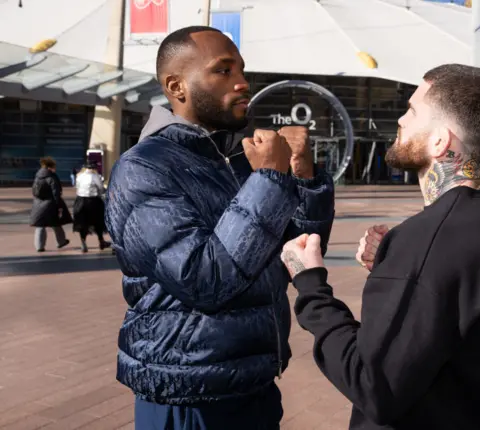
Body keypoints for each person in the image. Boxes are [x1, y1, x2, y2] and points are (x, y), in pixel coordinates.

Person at [280, 64, 480, 430]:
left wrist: (310, 284)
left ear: (440, 141)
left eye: (412, 110)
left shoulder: (429, 240)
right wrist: (397, 266)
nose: (402, 121)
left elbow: (375, 387)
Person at [104, 26, 334, 429]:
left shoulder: (240, 160)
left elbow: (297, 251)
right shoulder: (145, 168)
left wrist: (304, 176)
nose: (243, 82)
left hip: (253, 384)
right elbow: (205, 280)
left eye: (242, 69)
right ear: (177, 87)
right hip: (189, 390)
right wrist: (270, 181)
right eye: (223, 71)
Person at [30, 157, 71, 252]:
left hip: (38, 204)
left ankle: (39, 246)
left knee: (40, 225)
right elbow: (56, 192)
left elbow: (34, 191)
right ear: (50, 167)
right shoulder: (51, 177)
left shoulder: (37, 177)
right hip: (50, 204)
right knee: (56, 223)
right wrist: (59, 205)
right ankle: (61, 241)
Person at [72, 163, 111, 253]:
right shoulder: (94, 176)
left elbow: (77, 187)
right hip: (93, 201)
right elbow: (100, 188)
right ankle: (101, 241)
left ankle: (83, 242)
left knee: (83, 223)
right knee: (98, 222)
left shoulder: (79, 176)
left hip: (80, 201)